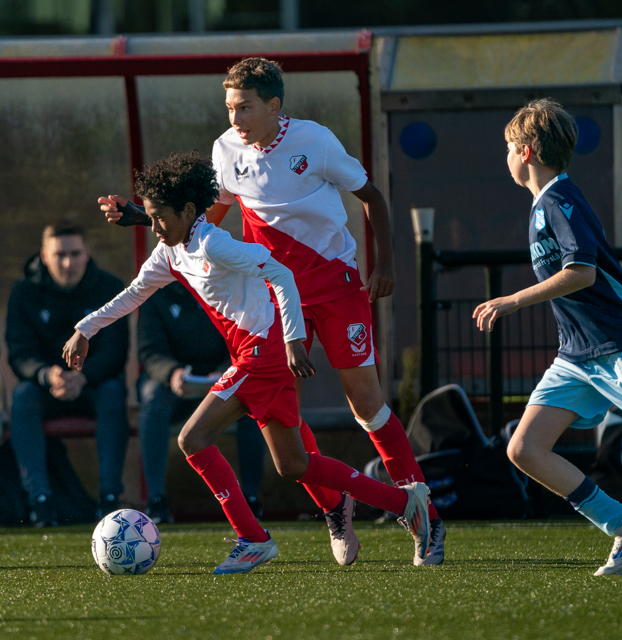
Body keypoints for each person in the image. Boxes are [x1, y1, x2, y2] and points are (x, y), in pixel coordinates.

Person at [100, 57, 444, 566]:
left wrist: (386, 263)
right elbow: (203, 217)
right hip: (276, 298)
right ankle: (335, 507)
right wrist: (140, 218)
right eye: (229, 106)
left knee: (366, 404)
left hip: (338, 287)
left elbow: (371, 196)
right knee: (283, 418)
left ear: (274, 105)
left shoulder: (316, 141)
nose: (234, 116)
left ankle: (424, 516)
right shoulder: (225, 149)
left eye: (244, 106)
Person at [474, 99, 622, 576]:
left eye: (506, 147)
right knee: (524, 449)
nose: (504, 156)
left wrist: (511, 301)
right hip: (578, 356)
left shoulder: (559, 201)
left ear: (524, 151)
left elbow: (581, 273)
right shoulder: (544, 204)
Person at [6, 221, 130, 526]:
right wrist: (48, 375)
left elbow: (116, 352)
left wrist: (83, 377)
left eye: (75, 253)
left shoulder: (110, 288)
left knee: (114, 391)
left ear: (87, 254)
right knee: (22, 397)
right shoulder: (24, 291)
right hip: (47, 387)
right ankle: (41, 502)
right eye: (59, 254)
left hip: (93, 384)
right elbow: (19, 354)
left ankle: (110, 499)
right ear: (44, 256)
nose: (68, 262)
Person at [138, 281, 266, 524]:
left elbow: (243, 342)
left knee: (253, 397)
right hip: (173, 386)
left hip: (223, 382)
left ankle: (249, 498)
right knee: (152, 398)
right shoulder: (155, 293)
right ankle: (156, 501)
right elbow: (149, 351)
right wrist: (172, 373)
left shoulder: (230, 287)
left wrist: (224, 372)